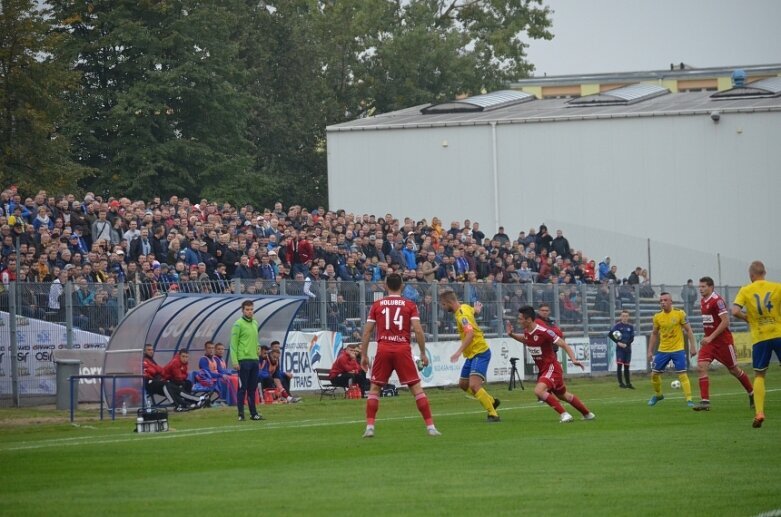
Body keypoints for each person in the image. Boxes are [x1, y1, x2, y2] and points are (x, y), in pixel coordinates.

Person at [359, 272, 440, 438]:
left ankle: (369, 427)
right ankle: (430, 427)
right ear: (402, 286)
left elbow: (367, 332)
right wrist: (423, 353)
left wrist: (364, 354)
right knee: (416, 388)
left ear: (385, 285)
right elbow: (418, 330)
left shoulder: (377, 305)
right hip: (402, 349)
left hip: (383, 349)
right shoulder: (410, 305)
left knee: (375, 388)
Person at [506, 306, 595, 423]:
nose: (518, 321)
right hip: (545, 369)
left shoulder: (544, 332)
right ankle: (587, 414)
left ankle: (565, 415)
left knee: (539, 391)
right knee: (563, 395)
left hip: (552, 367)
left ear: (528, 320)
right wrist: (512, 335)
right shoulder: (527, 332)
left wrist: (573, 359)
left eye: (520, 319)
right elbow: (526, 339)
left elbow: (563, 344)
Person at [691, 276, 754, 412]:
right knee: (701, 366)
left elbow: (725, 321)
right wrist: (708, 338)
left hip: (723, 342)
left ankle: (752, 393)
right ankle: (705, 401)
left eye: (703, 287)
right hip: (710, 342)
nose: (701, 289)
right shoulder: (702, 301)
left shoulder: (717, 301)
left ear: (711, 287)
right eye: (699, 287)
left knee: (734, 370)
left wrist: (710, 337)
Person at [731, 261, 781, 428]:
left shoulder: (746, 290)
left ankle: (759, 412)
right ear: (764, 272)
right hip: (778, 332)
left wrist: (748, 318)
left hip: (760, 336)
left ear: (751, 275)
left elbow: (735, 311)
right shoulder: (776, 287)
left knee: (760, 374)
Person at [440, 290, 500, 423]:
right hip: (472, 354)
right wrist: (477, 310)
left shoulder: (462, 315)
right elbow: (472, 312)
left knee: (474, 385)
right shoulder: (465, 307)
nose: (443, 308)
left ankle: (493, 414)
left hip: (480, 352)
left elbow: (470, 334)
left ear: (449, 302)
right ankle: (491, 401)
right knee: (463, 384)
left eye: (443, 305)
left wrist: (458, 352)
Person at [647, 292, 697, 407]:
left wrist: (693, 346)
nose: (663, 303)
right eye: (661, 301)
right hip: (663, 350)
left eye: (665, 300)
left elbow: (688, 330)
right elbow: (654, 334)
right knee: (654, 375)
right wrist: (650, 350)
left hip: (677, 349)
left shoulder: (679, 314)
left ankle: (689, 400)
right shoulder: (657, 317)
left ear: (671, 302)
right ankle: (658, 395)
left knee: (682, 375)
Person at [230, 300, 263, 421]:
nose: (250, 312)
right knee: (242, 388)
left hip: (254, 360)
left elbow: (255, 339)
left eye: (251, 309)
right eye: (247, 309)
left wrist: (258, 347)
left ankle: (253, 413)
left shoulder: (255, 323)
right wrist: (235, 361)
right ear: (242, 310)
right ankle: (240, 414)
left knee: (252, 388)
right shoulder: (237, 324)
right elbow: (233, 344)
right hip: (243, 360)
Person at [142, 344, 202, 411]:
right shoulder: (143, 361)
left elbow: (160, 371)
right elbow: (153, 371)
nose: (151, 351)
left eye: (152, 349)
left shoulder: (151, 360)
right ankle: (179, 405)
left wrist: (157, 371)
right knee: (167, 385)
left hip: (157, 381)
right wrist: (157, 370)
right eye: (149, 350)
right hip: (148, 383)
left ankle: (188, 403)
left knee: (173, 386)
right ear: (144, 351)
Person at [608, 310, 635, 389]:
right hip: (620, 349)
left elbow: (632, 338)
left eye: (626, 316)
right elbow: (610, 334)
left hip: (628, 349)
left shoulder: (630, 327)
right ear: (621, 317)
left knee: (627, 366)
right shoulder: (618, 326)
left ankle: (628, 383)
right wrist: (618, 342)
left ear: (628, 317)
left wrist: (626, 344)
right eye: (623, 316)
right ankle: (621, 383)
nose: (625, 317)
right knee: (619, 365)